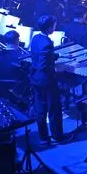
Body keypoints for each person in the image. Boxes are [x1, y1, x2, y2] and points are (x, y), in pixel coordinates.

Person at [29, 15, 64, 145]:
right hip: (47, 80)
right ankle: (57, 136)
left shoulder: (36, 37)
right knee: (54, 108)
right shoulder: (47, 43)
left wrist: (57, 55)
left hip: (35, 78)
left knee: (40, 109)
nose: (55, 27)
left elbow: (40, 54)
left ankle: (43, 137)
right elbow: (43, 65)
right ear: (49, 27)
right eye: (54, 25)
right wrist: (56, 69)